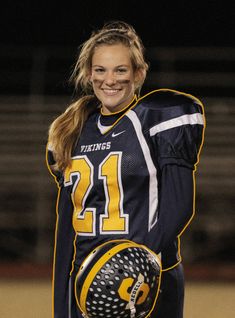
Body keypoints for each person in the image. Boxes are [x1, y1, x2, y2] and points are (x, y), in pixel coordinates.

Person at [46, 20, 205, 318]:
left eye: (121, 70)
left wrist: (136, 262)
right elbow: (66, 227)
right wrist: (62, 303)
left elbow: (180, 205)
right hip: (89, 282)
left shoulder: (157, 119)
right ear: (88, 73)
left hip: (147, 281)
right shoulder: (71, 132)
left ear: (138, 73)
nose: (110, 80)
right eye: (101, 70)